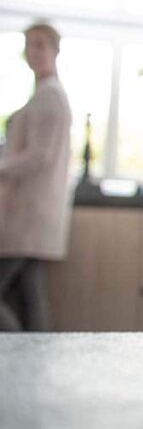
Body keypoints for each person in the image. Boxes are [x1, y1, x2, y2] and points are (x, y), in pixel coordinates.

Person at [0, 21, 73, 331]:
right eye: (29, 45)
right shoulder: (44, 93)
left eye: (41, 45)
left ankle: (19, 356)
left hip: (30, 212)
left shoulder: (50, 96)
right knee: (29, 294)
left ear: (55, 51)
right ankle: (32, 360)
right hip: (32, 214)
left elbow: (39, 156)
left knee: (24, 294)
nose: (34, 51)